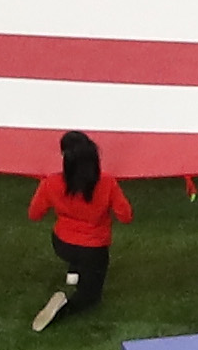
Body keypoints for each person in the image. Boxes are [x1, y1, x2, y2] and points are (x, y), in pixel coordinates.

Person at [26, 128, 129, 331]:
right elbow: (126, 216)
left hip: (62, 244)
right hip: (94, 250)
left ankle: (74, 270)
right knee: (90, 299)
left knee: (78, 257)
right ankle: (62, 308)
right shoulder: (107, 182)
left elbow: (34, 214)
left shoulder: (50, 183)